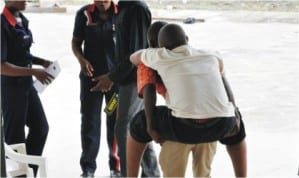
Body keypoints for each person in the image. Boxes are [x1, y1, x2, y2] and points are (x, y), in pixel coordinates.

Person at [129, 23, 247, 177]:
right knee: (235, 126)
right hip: (221, 123)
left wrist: (151, 126)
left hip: (183, 125)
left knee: (139, 123)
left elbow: (134, 59)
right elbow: (223, 82)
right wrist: (234, 112)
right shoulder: (210, 55)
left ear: (160, 47)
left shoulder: (158, 56)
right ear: (187, 39)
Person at [90, 0, 160, 177]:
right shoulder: (124, 7)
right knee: (139, 128)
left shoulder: (136, 9)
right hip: (125, 79)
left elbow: (136, 52)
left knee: (124, 129)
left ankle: (130, 174)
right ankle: (151, 174)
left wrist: (112, 77)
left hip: (136, 79)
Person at [1, 0, 53, 176]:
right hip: (11, 89)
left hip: (27, 86)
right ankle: (18, 175)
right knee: (15, 138)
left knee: (41, 128)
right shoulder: (2, 25)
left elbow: (22, 52)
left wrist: (41, 62)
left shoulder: (21, 20)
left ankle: (29, 172)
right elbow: (2, 66)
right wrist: (34, 71)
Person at [71, 0, 120, 177]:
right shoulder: (84, 14)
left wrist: (114, 77)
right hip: (91, 82)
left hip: (115, 83)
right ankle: (88, 168)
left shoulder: (121, 13)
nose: (101, 2)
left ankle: (116, 167)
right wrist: (81, 60)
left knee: (114, 121)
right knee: (90, 122)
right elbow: (76, 42)